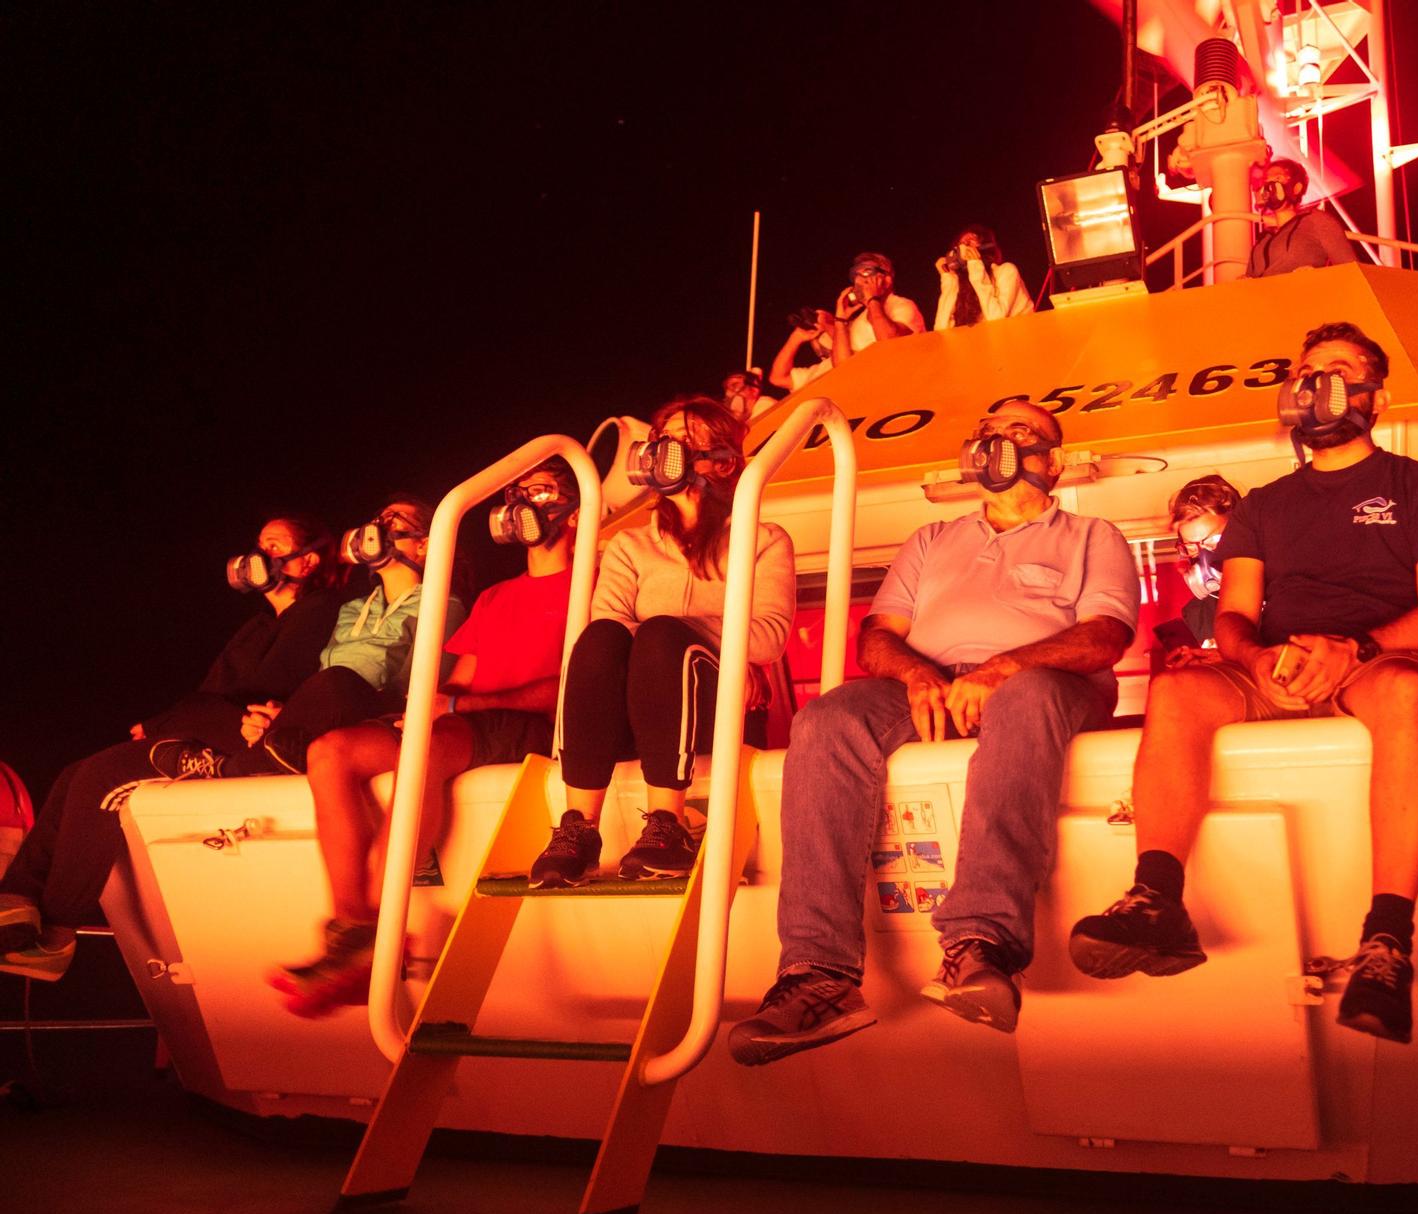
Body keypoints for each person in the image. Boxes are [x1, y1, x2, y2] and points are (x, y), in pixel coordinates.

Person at [1069, 322, 1418, 1045]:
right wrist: (1256, 660)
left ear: (1373, 396)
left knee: (1410, 695)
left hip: (1377, 661)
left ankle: (1386, 942)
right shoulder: (1263, 504)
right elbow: (1233, 614)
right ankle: (1157, 899)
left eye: (1337, 368)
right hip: (1277, 667)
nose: (1315, 380)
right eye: (1306, 370)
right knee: (1175, 690)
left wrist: (1355, 646)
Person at [730, 400, 1140, 1066]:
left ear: (1053, 461)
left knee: (1027, 697)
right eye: (986, 432)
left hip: (1046, 683)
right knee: (828, 719)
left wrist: (1006, 666)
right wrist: (920, 677)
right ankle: (819, 975)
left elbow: (1105, 634)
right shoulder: (932, 538)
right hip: (931, 685)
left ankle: (981, 947)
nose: (997, 443)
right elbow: (878, 638)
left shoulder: (1092, 534)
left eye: (1018, 433)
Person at [273, 463, 583, 1017]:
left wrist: (458, 708)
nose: (522, 504)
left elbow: (576, 685)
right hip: (467, 724)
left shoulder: (592, 583)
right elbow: (458, 681)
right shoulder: (494, 597)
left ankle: (381, 929)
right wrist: (425, 708)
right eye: (517, 493)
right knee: (332, 752)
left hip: (528, 728)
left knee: (432, 743)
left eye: (540, 492)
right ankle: (353, 931)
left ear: (576, 510)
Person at [1, 514, 345, 981]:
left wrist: (165, 724)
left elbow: (263, 688)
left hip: (244, 734)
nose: (259, 557)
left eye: (275, 546)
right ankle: (17, 902)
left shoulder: (321, 611)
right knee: (77, 771)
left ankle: (58, 935)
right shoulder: (257, 627)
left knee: (104, 781)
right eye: (258, 545)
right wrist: (168, 723)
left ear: (306, 562)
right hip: (206, 724)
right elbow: (209, 691)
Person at [529, 396, 795, 887]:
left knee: (658, 633)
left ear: (721, 460)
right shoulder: (630, 545)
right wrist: (684, 636)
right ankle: (578, 830)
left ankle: (667, 825)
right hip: (637, 710)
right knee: (602, 638)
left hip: (714, 711)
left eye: (684, 439)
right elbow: (608, 624)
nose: (666, 448)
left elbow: (769, 637)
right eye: (662, 438)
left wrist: (677, 636)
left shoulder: (763, 540)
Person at [147, 496, 463, 780]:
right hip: (326, 707)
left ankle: (230, 767)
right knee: (199, 704)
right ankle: (264, 748)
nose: (376, 529)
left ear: (423, 545)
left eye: (392, 522)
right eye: (377, 521)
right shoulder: (353, 608)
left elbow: (417, 690)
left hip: (377, 713)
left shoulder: (441, 604)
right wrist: (283, 714)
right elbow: (318, 677)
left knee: (338, 681)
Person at [1153, 474, 1242, 668]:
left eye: (1213, 541)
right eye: (1191, 547)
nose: (1204, 557)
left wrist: (1234, 656)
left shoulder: (1284, 588)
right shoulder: (1196, 615)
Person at [1244, 159, 1361, 279]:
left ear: (1296, 187)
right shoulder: (1264, 238)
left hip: (1301, 295)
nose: (1269, 185)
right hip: (1262, 297)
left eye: (1278, 178)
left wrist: (1319, 277)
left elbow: (1352, 270)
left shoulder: (1317, 221)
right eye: (1266, 180)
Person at [831, 251, 925, 363]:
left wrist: (872, 299)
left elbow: (891, 345)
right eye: (857, 275)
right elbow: (841, 365)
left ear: (887, 279)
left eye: (867, 273)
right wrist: (840, 320)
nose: (860, 280)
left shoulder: (903, 306)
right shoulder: (858, 321)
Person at [933, 225, 1033, 330]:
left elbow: (996, 319)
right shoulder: (962, 285)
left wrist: (976, 267)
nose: (965, 247)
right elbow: (941, 329)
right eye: (961, 243)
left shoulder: (1006, 271)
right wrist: (948, 280)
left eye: (971, 241)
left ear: (985, 246)